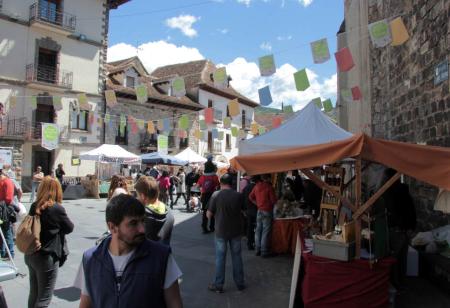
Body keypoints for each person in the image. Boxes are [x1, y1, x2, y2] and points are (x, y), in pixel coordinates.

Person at [79, 194, 183, 308]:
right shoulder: (91, 259)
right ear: (112, 227)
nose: (142, 229)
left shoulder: (161, 257)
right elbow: (86, 302)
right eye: (133, 223)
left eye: (143, 221)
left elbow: (174, 303)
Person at [25, 176, 74, 308]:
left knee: (34, 293)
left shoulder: (34, 206)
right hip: (46, 256)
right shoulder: (57, 208)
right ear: (57, 190)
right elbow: (70, 228)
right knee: (44, 298)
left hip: (31, 253)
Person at [207, 174, 246, 293]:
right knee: (237, 257)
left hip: (220, 231)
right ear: (232, 183)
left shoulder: (216, 195)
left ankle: (218, 285)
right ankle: (240, 283)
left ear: (221, 182)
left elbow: (209, 214)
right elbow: (244, 212)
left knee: (220, 258)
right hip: (236, 231)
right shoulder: (238, 195)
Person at [135, 176, 175, 246]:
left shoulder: (141, 216)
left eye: (137, 195)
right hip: (164, 254)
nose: (136, 197)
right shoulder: (169, 212)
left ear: (143, 196)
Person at [249, 174, 277, 258]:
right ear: (268, 178)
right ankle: (264, 251)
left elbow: (250, 197)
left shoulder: (257, 186)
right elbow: (273, 201)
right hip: (267, 211)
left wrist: (257, 203)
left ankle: (257, 249)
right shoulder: (269, 187)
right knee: (265, 230)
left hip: (259, 210)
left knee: (258, 230)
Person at [196, 163, 219, 234]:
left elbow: (197, 186)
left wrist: (202, 189)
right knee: (213, 211)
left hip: (204, 195)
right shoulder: (214, 176)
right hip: (212, 195)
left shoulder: (202, 176)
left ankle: (204, 227)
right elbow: (218, 186)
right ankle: (212, 227)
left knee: (205, 212)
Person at [0, 169, 16, 259]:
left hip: (4, 209)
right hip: (1, 208)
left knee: (7, 231)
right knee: (2, 231)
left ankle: (10, 252)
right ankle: (2, 252)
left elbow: (8, 198)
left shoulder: (7, 182)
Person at [242, 175, 259, 250]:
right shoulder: (257, 187)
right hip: (256, 209)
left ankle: (249, 244)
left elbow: (242, 198)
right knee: (257, 227)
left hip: (248, 209)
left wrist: (243, 209)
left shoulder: (246, 188)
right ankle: (256, 243)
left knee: (249, 227)